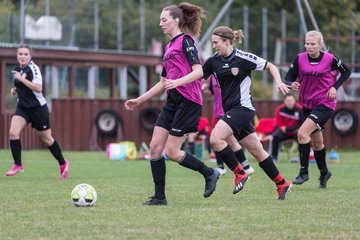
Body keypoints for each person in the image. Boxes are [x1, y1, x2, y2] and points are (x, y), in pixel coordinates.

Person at [124, 2, 219, 206]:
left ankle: (209, 173)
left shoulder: (186, 41)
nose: (160, 24)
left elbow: (199, 71)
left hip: (189, 101)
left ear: (176, 21)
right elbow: (162, 83)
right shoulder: (168, 48)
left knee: (172, 152)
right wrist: (139, 100)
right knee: (155, 148)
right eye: (160, 20)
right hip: (173, 101)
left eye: (164, 20)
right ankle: (159, 197)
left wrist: (177, 82)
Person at [203, 26, 292, 200]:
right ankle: (282, 183)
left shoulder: (243, 58)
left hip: (243, 109)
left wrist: (279, 82)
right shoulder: (213, 61)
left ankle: (240, 174)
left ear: (227, 42)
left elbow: (270, 66)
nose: (214, 46)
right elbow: (198, 74)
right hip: (232, 111)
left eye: (216, 43)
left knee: (215, 138)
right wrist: (180, 82)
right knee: (257, 151)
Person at [285, 30, 351, 188]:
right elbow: (288, 77)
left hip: (325, 104)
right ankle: (324, 173)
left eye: (312, 44)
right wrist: (291, 84)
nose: (309, 46)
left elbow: (346, 71)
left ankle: (303, 172)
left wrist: (335, 87)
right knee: (317, 143)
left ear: (320, 45)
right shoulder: (300, 58)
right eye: (307, 43)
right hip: (307, 104)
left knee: (302, 133)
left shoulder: (330, 59)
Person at [6, 44, 69, 179]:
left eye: (25, 54)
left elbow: (38, 88)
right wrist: (15, 89)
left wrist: (21, 80)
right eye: (20, 54)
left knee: (47, 140)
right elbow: (23, 86)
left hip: (38, 109)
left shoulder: (34, 69)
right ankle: (18, 164)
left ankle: (63, 163)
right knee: (13, 132)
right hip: (23, 107)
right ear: (17, 56)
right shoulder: (18, 70)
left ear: (30, 56)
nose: (22, 56)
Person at [203, 75, 255, 176]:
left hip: (228, 112)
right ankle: (245, 166)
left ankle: (223, 167)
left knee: (221, 139)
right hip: (218, 113)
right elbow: (211, 93)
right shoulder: (213, 77)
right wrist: (206, 90)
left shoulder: (228, 73)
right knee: (224, 140)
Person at [270, 93, 303, 162]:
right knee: (275, 137)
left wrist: (289, 129)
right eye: (288, 101)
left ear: (294, 101)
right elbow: (280, 124)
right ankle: (274, 158)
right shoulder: (280, 109)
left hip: (295, 132)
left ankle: (302, 158)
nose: (289, 102)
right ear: (284, 101)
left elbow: (301, 124)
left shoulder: (300, 109)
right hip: (284, 132)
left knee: (302, 137)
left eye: (291, 100)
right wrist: (284, 128)